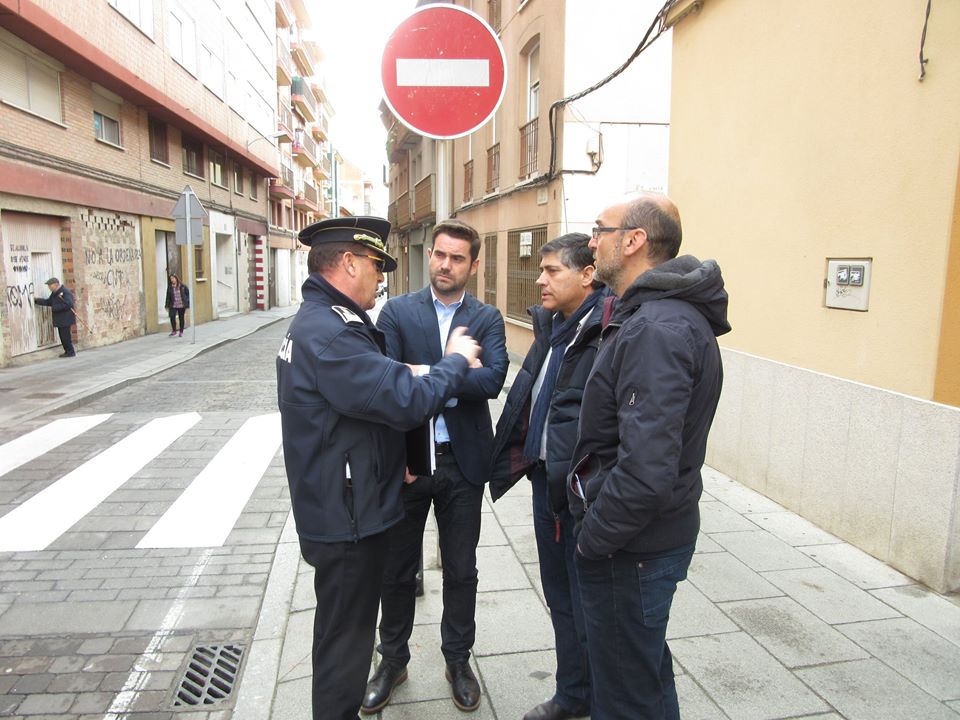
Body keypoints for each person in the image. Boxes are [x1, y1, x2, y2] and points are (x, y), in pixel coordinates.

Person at [276, 216, 482, 720]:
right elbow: (403, 400)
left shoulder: (326, 322)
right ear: (349, 263)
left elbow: (367, 400)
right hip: (346, 518)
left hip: (343, 505)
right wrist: (452, 361)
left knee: (340, 634)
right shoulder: (331, 331)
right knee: (345, 647)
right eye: (375, 264)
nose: (381, 277)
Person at [569, 193, 730, 720]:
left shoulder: (656, 329)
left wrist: (593, 539)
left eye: (601, 229)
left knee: (624, 696)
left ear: (634, 240)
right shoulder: (654, 317)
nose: (592, 241)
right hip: (643, 541)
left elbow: (644, 471)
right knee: (642, 676)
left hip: (631, 547)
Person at [362, 219, 508, 714]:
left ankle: (458, 660)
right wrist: (446, 369)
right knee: (396, 570)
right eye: (439, 255)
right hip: (409, 463)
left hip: (463, 464)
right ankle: (393, 660)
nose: (445, 264)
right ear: (430, 256)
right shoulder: (398, 312)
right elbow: (388, 382)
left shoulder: (487, 318)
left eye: (457, 258)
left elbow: (490, 381)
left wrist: (423, 376)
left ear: (473, 263)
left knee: (462, 570)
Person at [490, 233, 607, 720]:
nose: (540, 279)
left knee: (590, 609)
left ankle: (601, 700)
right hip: (546, 483)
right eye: (541, 269)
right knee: (560, 598)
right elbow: (529, 399)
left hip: (581, 495)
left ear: (587, 274)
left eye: (552, 270)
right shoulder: (554, 327)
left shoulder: (607, 331)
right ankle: (572, 694)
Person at [34, 277, 77, 357]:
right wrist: (37, 301)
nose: (49, 287)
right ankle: (68, 351)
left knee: (65, 337)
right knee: (63, 336)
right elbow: (49, 302)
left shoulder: (64, 292)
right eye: (49, 286)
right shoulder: (55, 293)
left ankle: (70, 352)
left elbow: (69, 304)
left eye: (50, 285)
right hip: (61, 319)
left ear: (56, 284)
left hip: (65, 318)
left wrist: (55, 308)